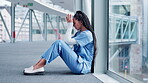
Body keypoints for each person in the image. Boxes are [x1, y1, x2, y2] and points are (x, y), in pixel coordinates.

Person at [23, 11, 97, 75]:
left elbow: (66, 41)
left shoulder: (87, 34)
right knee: (58, 44)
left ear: (81, 22)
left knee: (59, 43)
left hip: (82, 66)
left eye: (74, 23)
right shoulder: (80, 33)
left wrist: (69, 25)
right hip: (78, 63)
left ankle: (38, 66)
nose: (73, 25)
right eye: (73, 24)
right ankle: (37, 65)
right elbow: (67, 43)